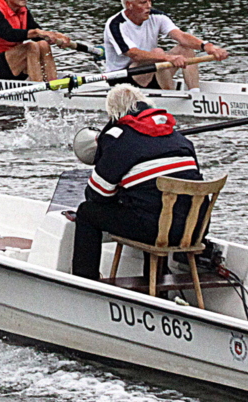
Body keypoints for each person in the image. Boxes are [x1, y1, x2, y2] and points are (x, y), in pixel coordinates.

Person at [70, 84, 204, 281]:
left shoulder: (118, 139)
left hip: (155, 230)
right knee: (154, 203)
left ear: (113, 114)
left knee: (87, 213)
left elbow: (96, 194)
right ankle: (157, 283)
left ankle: (85, 280)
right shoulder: (178, 137)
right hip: (194, 229)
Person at [102, 0, 229, 90]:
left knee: (185, 48)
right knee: (158, 52)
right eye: (143, 2)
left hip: (151, 71)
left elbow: (182, 37)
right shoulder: (115, 24)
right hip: (122, 80)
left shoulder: (157, 17)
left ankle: (195, 95)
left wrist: (208, 47)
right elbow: (134, 54)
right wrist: (167, 58)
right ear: (129, 5)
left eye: (150, 1)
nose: (149, 6)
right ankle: (171, 95)